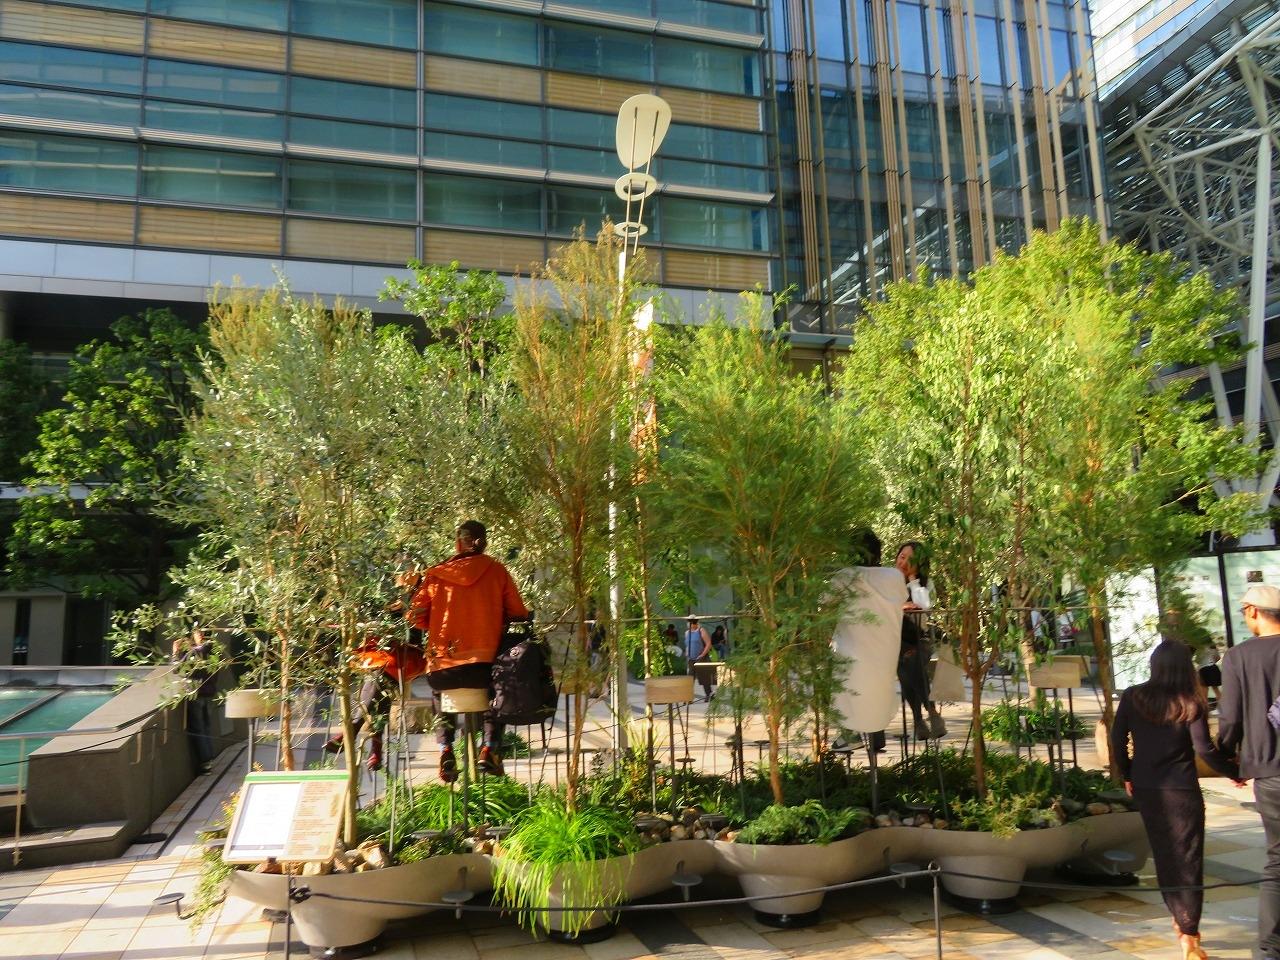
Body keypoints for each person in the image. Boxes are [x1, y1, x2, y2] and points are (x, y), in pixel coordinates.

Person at [1111, 640, 1240, 960]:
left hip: (1147, 788)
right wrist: (1234, 772)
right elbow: (1204, 749)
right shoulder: (1191, 701)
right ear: (1185, 668)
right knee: (1189, 858)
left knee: (1165, 856)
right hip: (1183, 791)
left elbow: (1117, 739)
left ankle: (1180, 920)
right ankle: (1189, 932)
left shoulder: (1132, 696)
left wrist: (1128, 773)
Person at [410, 520, 529, 781]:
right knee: (498, 688)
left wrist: (437, 620)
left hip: (443, 669)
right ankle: (490, 748)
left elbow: (415, 616)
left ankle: (445, 749)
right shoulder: (497, 570)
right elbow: (518, 612)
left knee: (439, 691)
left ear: (458, 543)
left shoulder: (436, 574)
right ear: (484, 542)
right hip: (483, 667)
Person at [1218, 583, 1280, 960]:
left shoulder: (1239, 657)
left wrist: (1229, 760)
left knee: (1278, 860)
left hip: (1270, 770)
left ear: (1254, 611)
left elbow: (1230, 719)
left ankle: (1270, 949)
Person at [829, 530, 906, 749]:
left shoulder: (843, 576)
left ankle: (848, 734)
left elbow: (825, 603)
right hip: (885, 656)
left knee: (841, 680)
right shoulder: (894, 577)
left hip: (851, 653)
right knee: (872, 691)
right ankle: (864, 734)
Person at [894, 541, 946, 740]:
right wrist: (900, 606)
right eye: (902, 557)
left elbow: (924, 604)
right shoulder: (889, 581)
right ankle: (930, 713)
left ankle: (919, 720)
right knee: (905, 662)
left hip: (919, 639)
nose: (904, 563)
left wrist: (912, 579)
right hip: (896, 640)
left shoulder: (926, 584)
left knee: (907, 663)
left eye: (911, 560)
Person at [172, 626, 216, 773]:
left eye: (195, 634)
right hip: (209, 693)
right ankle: (210, 758)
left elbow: (177, 668)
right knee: (206, 726)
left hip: (196, 694)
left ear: (200, 635)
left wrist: (176, 652)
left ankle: (205, 762)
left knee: (199, 727)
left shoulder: (195, 652)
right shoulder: (214, 652)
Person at [685, 617, 713, 700]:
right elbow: (687, 645)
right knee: (690, 678)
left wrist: (702, 654)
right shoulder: (687, 633)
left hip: (701, 658)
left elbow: (708, 644)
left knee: (704, 677)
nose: (690, 624)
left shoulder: (701, 630)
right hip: (691, 658)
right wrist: (687, 653)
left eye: (692, 622)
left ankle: (708, 694)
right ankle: (688, 697)